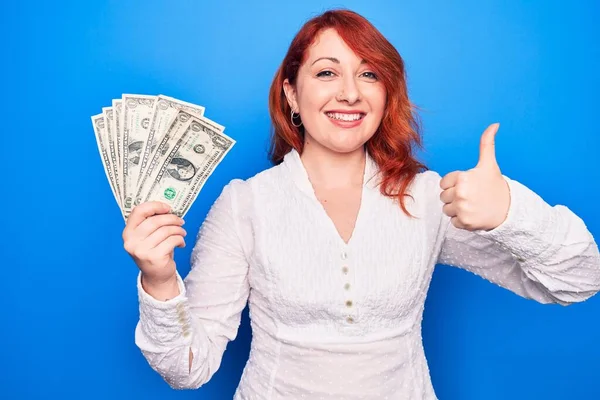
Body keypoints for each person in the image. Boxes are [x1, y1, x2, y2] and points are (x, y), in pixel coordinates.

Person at [122, 9, 600, 399]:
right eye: (326, 72)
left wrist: (513, 213)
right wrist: (159, 279)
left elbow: (580, 281)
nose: (349, 92)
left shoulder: (428, 198)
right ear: (292, 92)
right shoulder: (245, 204)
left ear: (386, 92)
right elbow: (188, 369)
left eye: (368, 74)